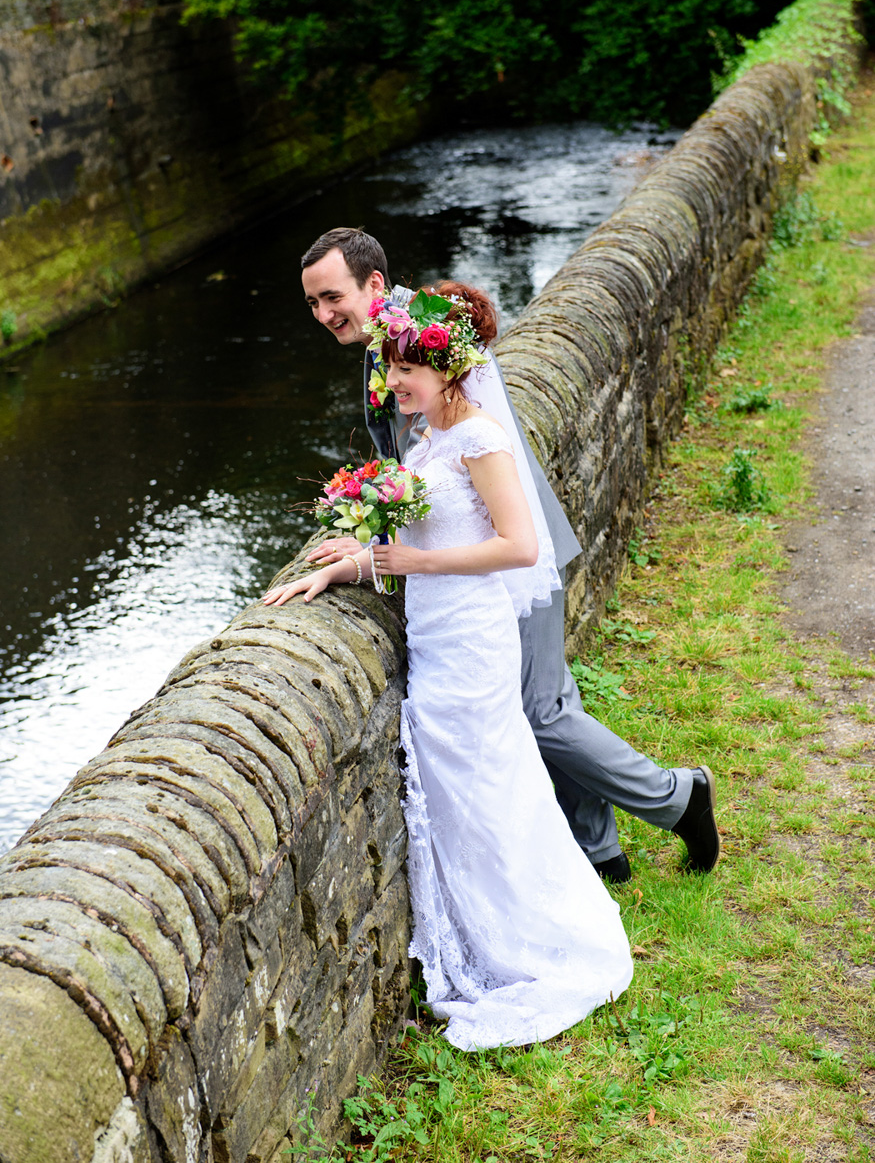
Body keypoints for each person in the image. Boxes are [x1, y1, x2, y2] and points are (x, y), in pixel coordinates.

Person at [264, 282, 633, 1049]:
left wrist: (404, 561)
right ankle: (486, 928)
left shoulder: (480, 441)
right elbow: (421, 545)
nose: (392, 384)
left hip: (470, 638)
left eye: (406, 373)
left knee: (480, 778)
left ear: (449, 371)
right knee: (458, 779)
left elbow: (518, 548)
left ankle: (523, 939)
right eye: (390, 371)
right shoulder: (428, 441)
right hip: (437, 634)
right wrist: (344, 567)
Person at [298, 227, 721, 883]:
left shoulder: (423, 337)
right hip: (484, 542)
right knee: (549, 701)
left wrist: (378, 544)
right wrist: (371, 537)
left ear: (374, 286)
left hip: (501, 551)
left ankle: (676, 797)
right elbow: (418, 472)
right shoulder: (400, 330)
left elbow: (451, 464)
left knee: (538, 710)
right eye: (313, 304)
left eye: (332, 297)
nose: (324, 315)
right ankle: (597, 846)